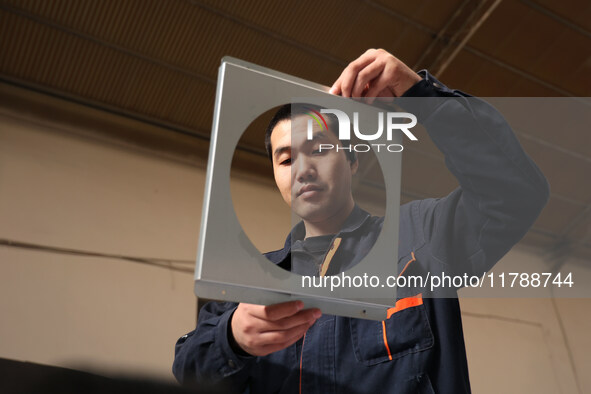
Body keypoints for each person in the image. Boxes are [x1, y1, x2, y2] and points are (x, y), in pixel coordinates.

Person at [173, 49, 550, 393]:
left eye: (319, 149)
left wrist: (421, 96)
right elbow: (187, 369)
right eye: (286, 160)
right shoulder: (249, 285)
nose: (302, 169)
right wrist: (232, 339)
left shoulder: (421, 236)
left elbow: (514, 193)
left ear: (353, 162)